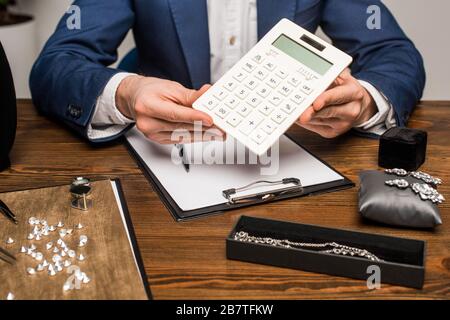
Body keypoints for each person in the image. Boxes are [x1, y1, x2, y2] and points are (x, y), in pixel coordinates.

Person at [30, 0, 425, 145]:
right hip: (163, 149)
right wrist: (126, 92)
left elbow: (392, 52)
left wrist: (365, 100)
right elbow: (56, 63)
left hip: (293, 148)